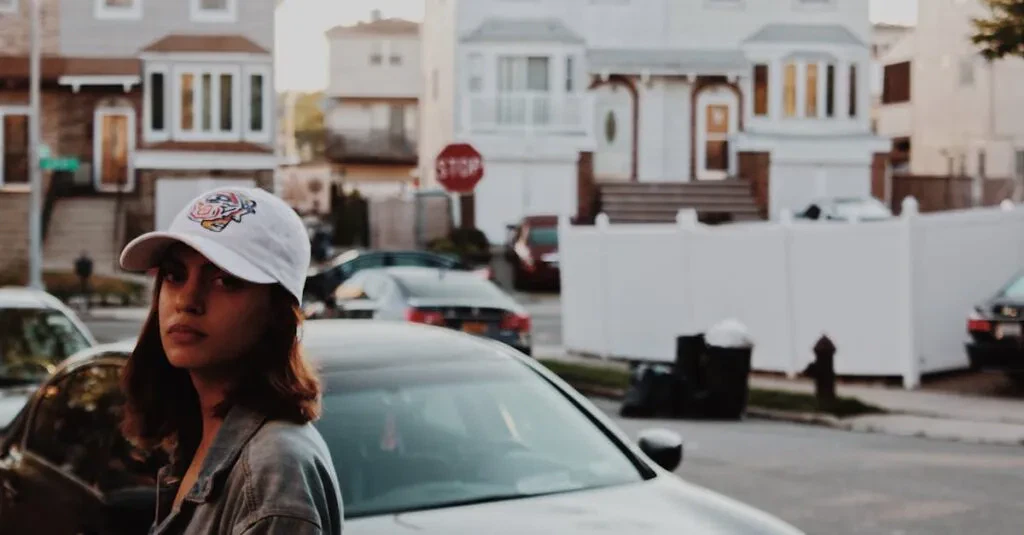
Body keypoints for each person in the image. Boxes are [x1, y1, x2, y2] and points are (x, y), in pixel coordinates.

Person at [118, 187, 343, 535]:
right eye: (175, 275)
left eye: (225, 280)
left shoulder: (274, 470)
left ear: (277, 313)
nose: (188, 300)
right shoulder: (198, 438)